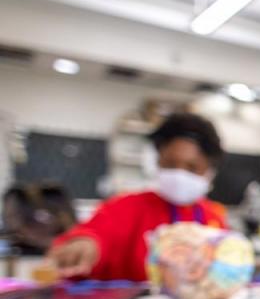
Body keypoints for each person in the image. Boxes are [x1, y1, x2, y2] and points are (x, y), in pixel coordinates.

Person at [48, 112, 227, 280]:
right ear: (156, 161)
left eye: (192, 167)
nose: (179, 174)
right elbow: (93, 234)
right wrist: (84, 245)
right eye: (170, 164)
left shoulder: (214, 219)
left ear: (209, 171)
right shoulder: (125, 207)